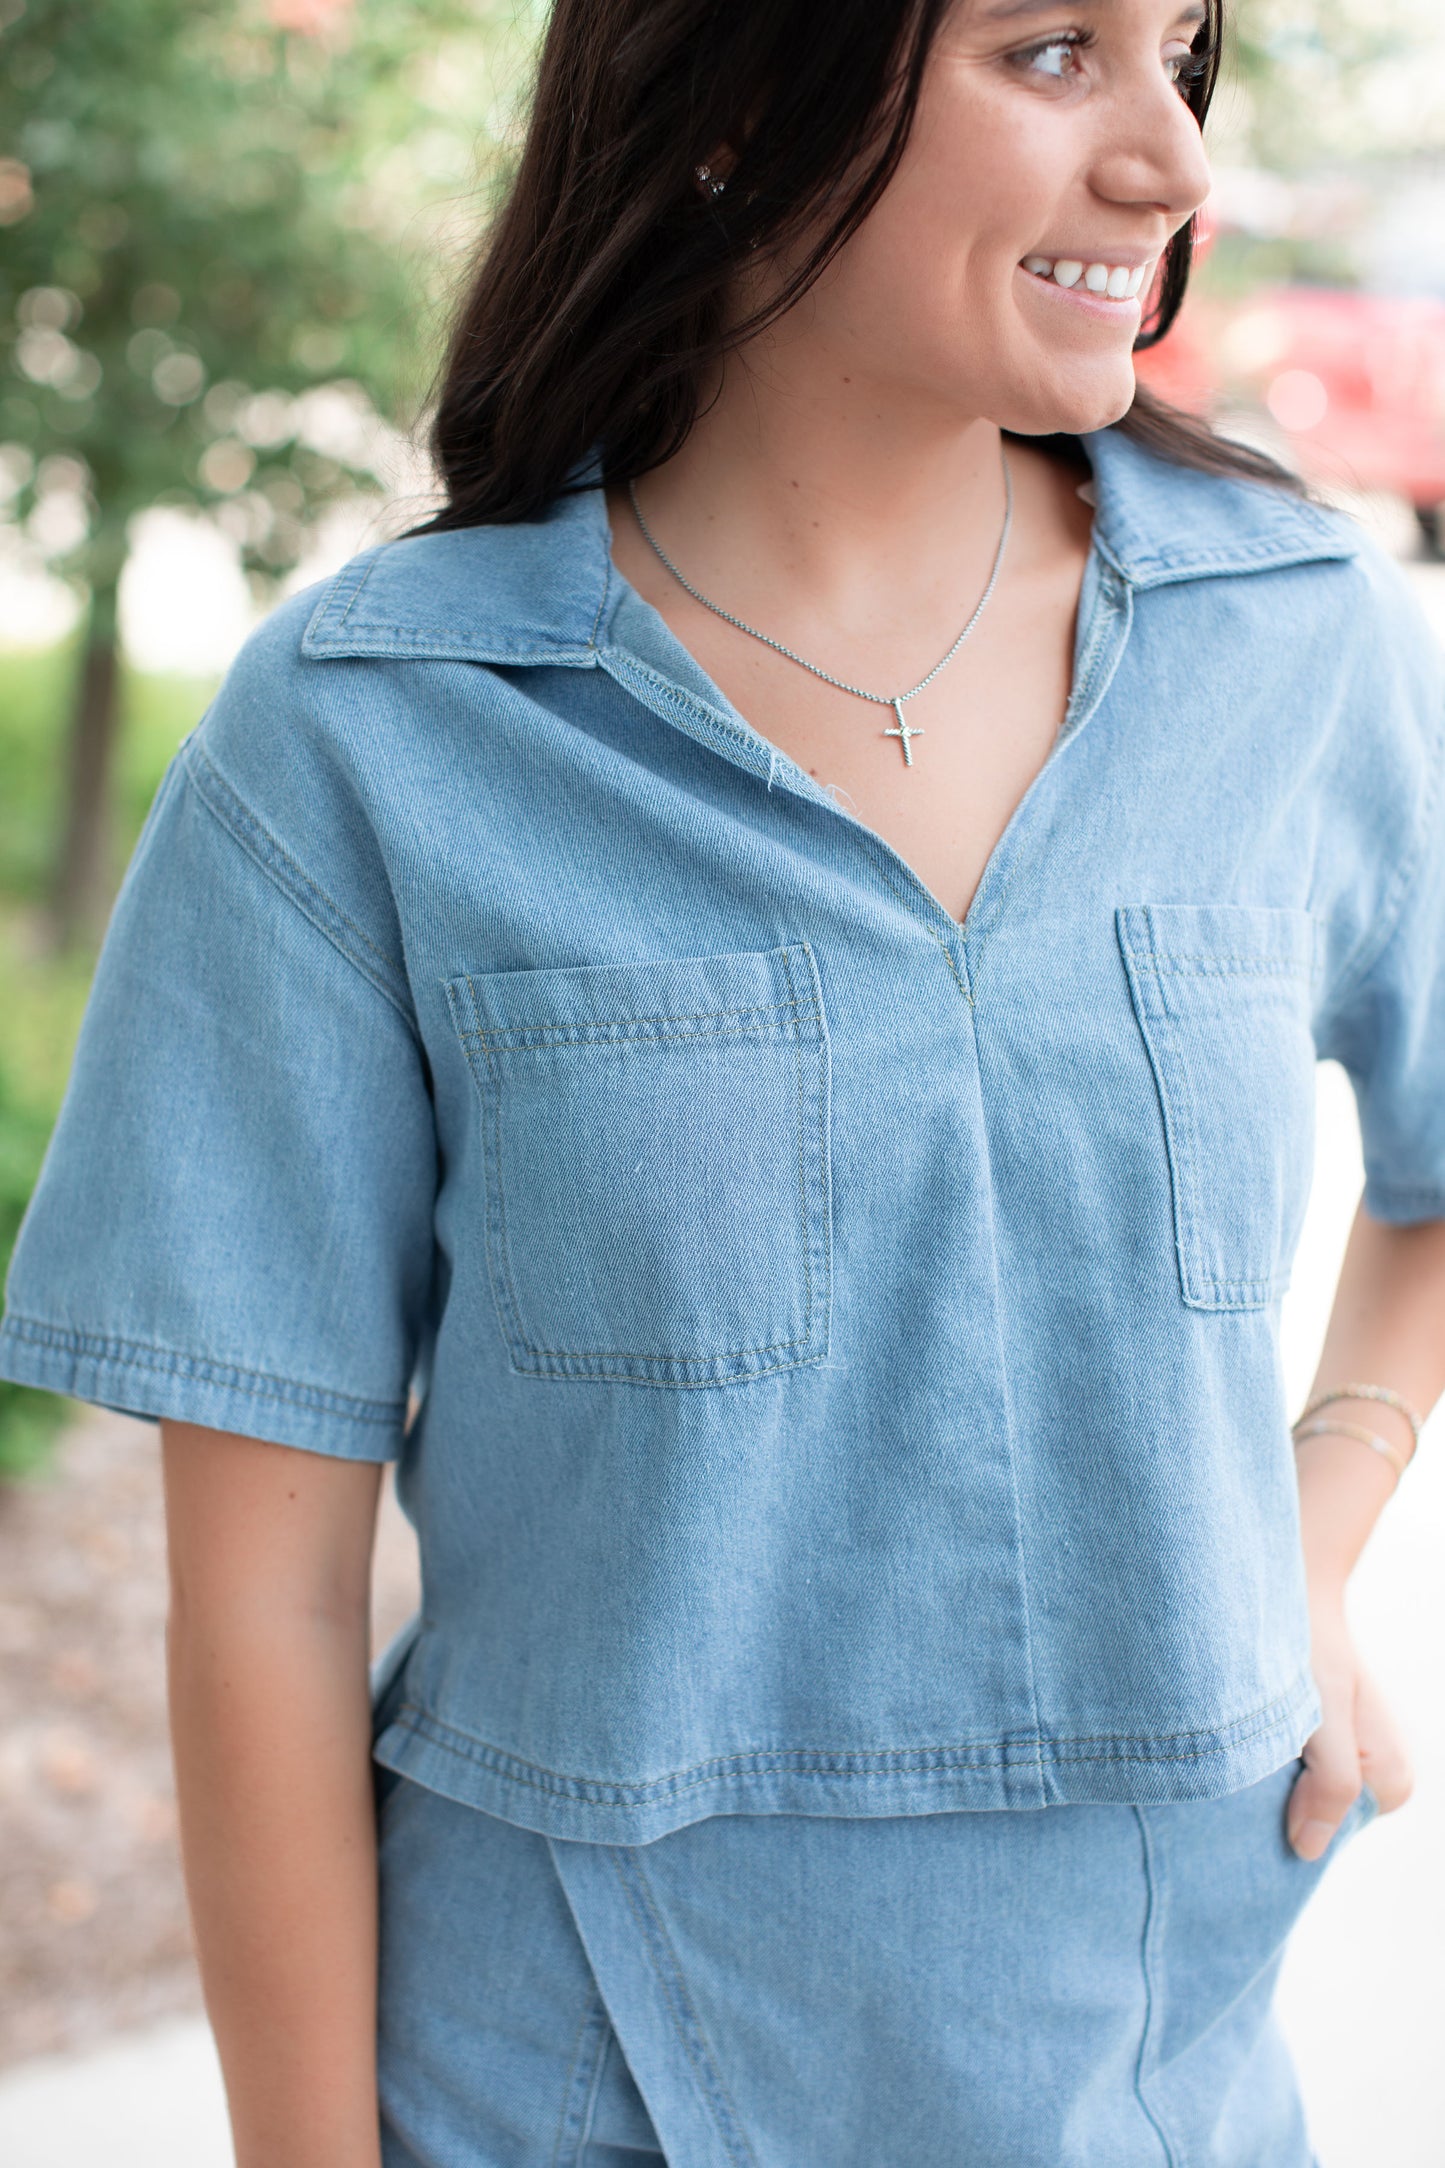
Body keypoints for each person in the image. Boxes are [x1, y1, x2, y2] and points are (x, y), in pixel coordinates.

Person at [4, 0, 1444, 2159]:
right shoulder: (375, 737)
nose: (1172, 165)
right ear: (749, 95)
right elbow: (265, 1601)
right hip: (556, 2082)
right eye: (1055, 53)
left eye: (1184, 56)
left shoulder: (1296, 637)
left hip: (1148, 2079)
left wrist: (1309, 1535)